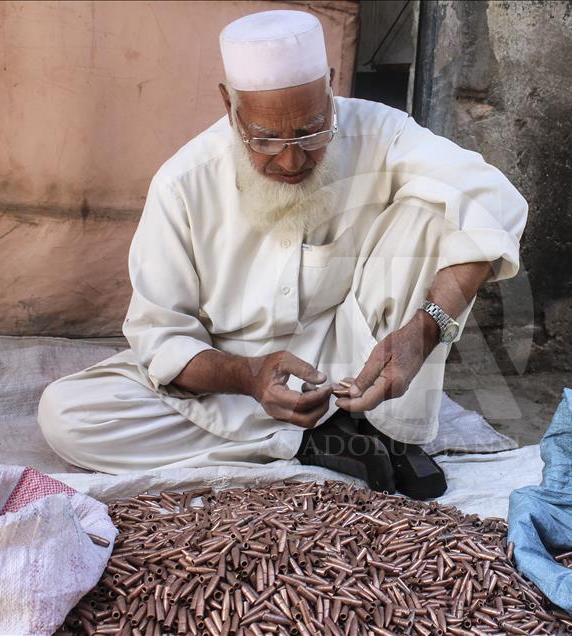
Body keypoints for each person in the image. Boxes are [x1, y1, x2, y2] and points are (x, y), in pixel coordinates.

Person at [38, 10, 527, 499]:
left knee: (434, 209)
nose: (292, 160)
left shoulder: (381, 133)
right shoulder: (182, 183)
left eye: (312, 132)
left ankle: (384, 430)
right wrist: (249, 377)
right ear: (229, 104)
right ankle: (306, 442)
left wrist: (426, 328)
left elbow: (491, 198)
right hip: (234, 382)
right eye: (266, 139)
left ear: (331, 88)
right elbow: (161, 337)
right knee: (67, 414)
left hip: (357, 360)